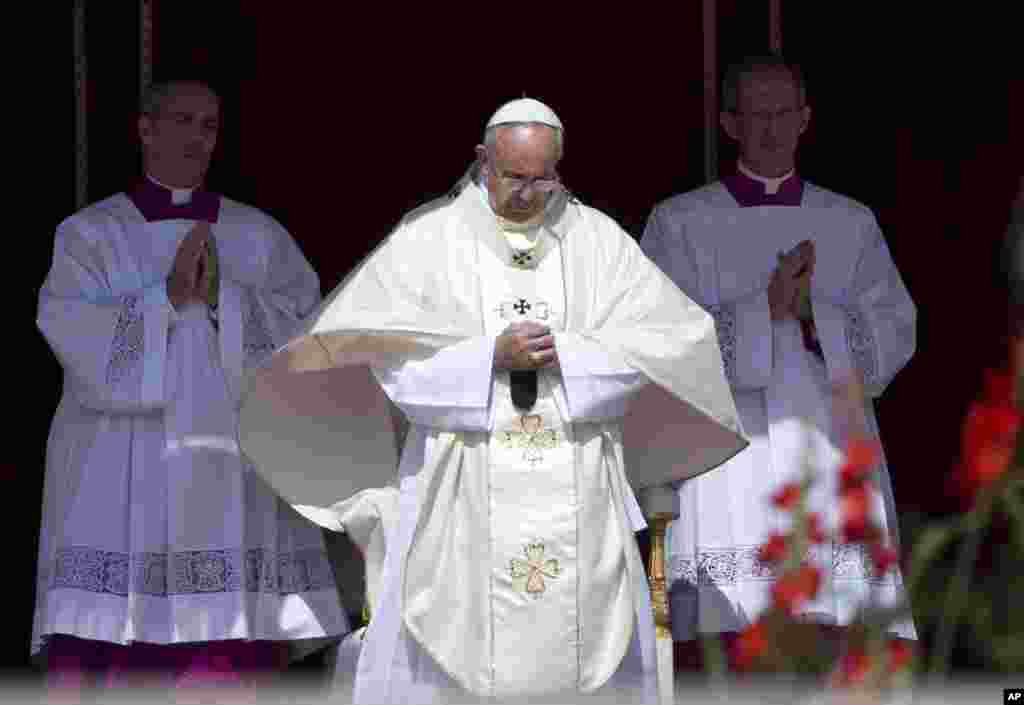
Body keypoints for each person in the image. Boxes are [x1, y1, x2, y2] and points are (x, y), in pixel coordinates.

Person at [238, 97, 746, 703]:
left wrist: (570, 354)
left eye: (543, 178)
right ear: (483, 161)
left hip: (578, 481)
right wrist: (488, 358)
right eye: (514, 177)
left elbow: (664, 344)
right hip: (460, 483)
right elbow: (390, 365)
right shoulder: (428, 240)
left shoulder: (596, 241)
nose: (530, 194)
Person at [34, 79, 348, 696]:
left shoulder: (258, 236)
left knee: (226, 646)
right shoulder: (90, 234)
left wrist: (225, 300)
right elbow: (71, 331)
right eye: (181, 120)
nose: (196, 138)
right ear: (145, 129)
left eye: (208, 125)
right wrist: (164, 300)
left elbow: (309, 334)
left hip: (230, 467)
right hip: (119, 465)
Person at [640, 54, 918, 668]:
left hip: (828, 443)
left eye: (783, 113)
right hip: (726, 455)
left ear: (805, 119)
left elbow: (896, 332)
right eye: (756, 114)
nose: (771, 128)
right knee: (730, 645)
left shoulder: (849, 222)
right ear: (729, 123)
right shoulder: (680, 222)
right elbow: (656, 340)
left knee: (838, 640)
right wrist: (760, 309)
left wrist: (816, 316)